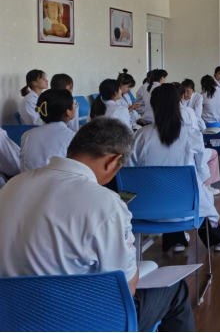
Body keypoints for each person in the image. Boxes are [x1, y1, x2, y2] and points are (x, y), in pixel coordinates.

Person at [0, 118, 195, 332]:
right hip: (78, 321)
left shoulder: (12, 186)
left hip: (11, 318)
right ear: (113, 161)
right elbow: (127, 287)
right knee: (175, 291)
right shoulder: (105, 203)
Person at [129, 84, 220, 253]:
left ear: (153, 107)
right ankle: (215, 238)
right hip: (185, 206)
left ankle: (176, 239)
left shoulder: (140, 135)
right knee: (196, 193)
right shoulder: (191, 134)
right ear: (179, 104)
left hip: (146, 208)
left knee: (167, 191)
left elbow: (131, 171)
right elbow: (202, 172)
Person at [174, 83, 220, 196]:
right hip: (185, 160)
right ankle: (206, 186)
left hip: (157, 183)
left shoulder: (144, 133)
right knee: (210, 154)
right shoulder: (187, 112)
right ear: (181, 96)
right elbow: (195, 137)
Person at [20, 89, 77, 172]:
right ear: (68, 112)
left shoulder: (27, 135)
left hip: (29, 179)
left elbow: (22, 167)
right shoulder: (73, 137)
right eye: (74, 104)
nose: (75, 107)